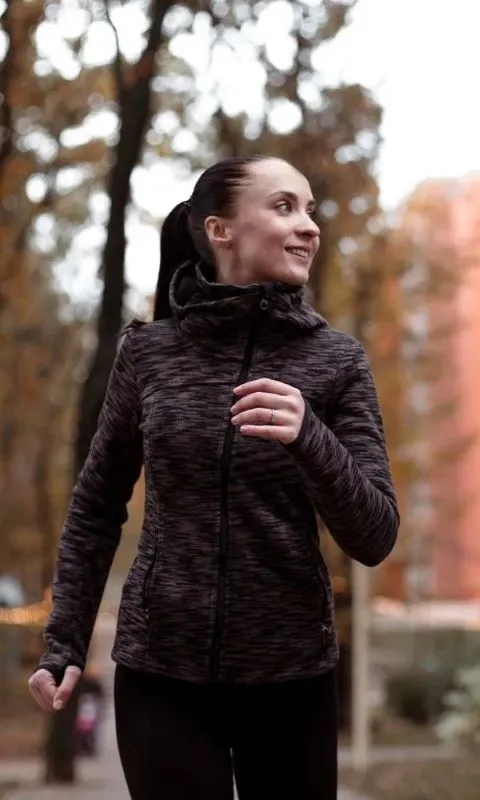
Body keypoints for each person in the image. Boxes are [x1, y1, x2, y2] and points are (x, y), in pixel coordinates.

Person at [27, 155, 399, 799]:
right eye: (285, 207)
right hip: (161, 674)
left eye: (311, 210)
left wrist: (310, 436)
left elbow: (375, 535)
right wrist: (64, 644)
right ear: (219, 229)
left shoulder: (335, 361)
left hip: (291, 678)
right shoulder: (148, 354)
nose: (309, 226)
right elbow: (95, 507)